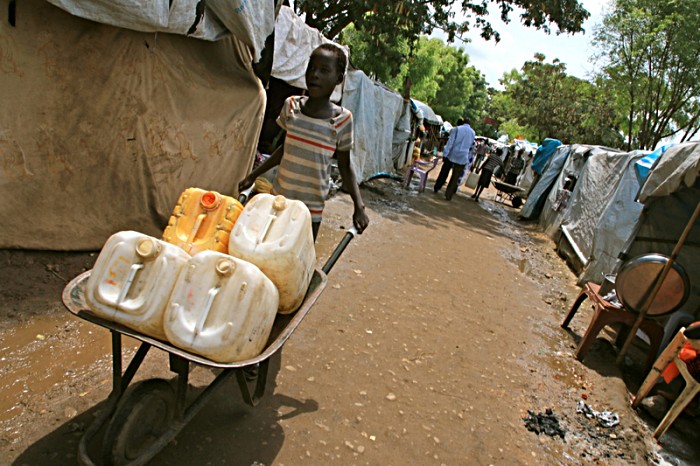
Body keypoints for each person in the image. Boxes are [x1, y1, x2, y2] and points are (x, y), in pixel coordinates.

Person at [238, 43, 369, 241]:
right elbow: (284, 149)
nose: (315, 74)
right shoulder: (292, 106)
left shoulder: (342, 120)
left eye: (324, 70)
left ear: (338, 79)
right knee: (264, 247)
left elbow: (344, 165)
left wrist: (358, 205)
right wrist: (253, 175)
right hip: (279, 200)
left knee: (298, 259)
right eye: (312, 68)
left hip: (310, 210)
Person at [433, 118, 476, 201]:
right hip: (463, 157)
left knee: (444, 172)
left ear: (463, 122)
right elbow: (470, 145)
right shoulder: (473, 132)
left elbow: (450, 142)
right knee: (455, 177)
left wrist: (445, 154)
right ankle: (448, 195)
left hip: (452, 154)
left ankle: (437, 187)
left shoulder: (456, 129)